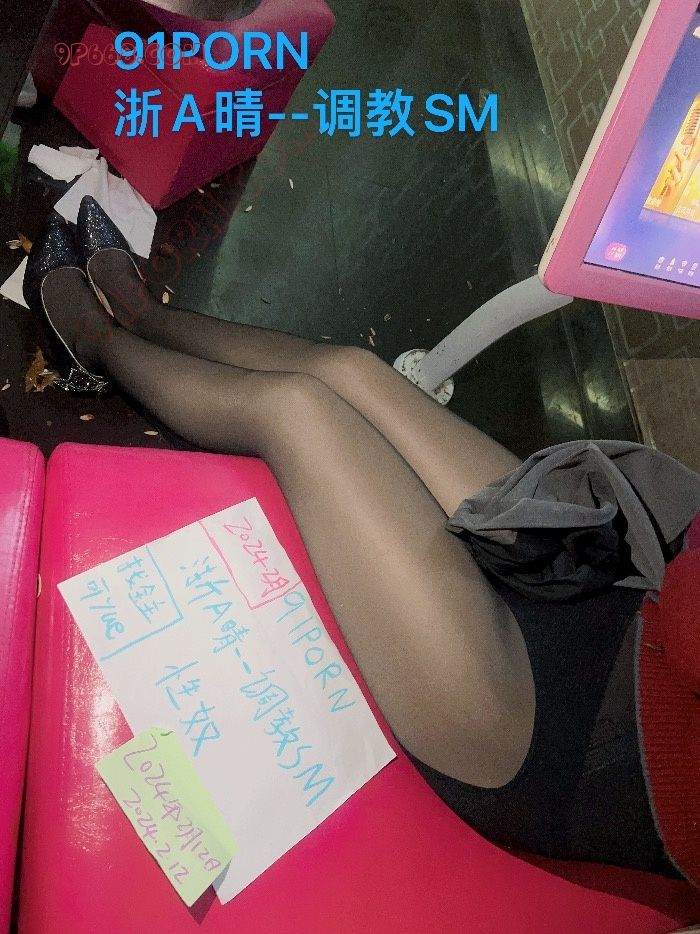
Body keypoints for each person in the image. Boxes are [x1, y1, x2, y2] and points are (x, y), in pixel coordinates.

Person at [23, 198, 700, 896]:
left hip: (556, 739)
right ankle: (145, 318)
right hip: (614, 589)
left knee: (297, 412)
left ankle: (96, 346)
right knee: (352, 371)